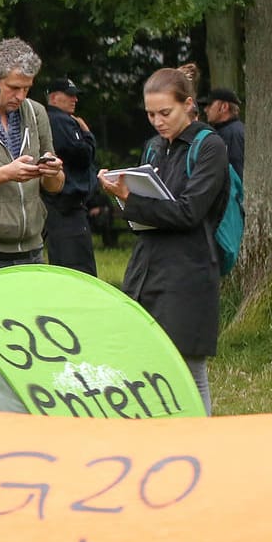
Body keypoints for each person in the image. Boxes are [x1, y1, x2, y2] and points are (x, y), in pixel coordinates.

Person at [98, 67, 231, 412]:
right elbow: (143, 215)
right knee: (143, 362)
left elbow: (189, 212)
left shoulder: (210, 146)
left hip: (188, 272)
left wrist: (131, 198)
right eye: (150, 114)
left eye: (165, 113)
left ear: (188, 105)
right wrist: (120, 195)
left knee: (189, 368)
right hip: (145, 269)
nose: (157, 121)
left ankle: (199, 444)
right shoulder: (155, 148)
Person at [0, 39, 63, 274]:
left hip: (33, 248)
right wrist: (6, 174)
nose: (21, 96)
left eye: (27, 88)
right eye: (13, 87)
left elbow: (55, 187)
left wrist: (53, 171)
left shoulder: (36, 111)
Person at [39, 78, 99, 275]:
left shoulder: (43, 119)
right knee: (78, 268)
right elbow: (82, 155)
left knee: (61, 260)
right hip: (67, 204)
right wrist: (87, 134)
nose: (75, 99)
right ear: (54, 97)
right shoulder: (62, 120)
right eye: (70, 95)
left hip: (54, 203)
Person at [201, 86, 246, 178]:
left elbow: (236, 170)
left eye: (209, 105)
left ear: (224, 107)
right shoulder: (233, 130)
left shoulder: (232, 134)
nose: (205, 110)